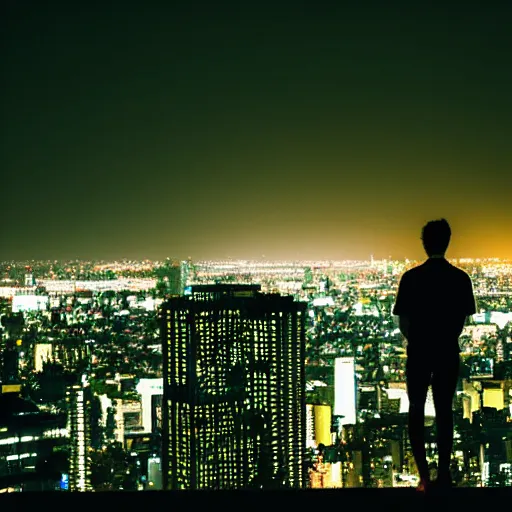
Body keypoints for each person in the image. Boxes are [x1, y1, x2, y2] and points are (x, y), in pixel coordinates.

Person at [393, 219, 476, 492]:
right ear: (448, 241)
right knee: (444, 411)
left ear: (425, 243)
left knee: (416, 409)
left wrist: (416, 340)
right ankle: (444, 476)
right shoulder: (461, 279)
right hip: (446, 351)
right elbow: (461, 322)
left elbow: (403, 322)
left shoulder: (411, 278)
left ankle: (423, 477)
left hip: (418, 352)